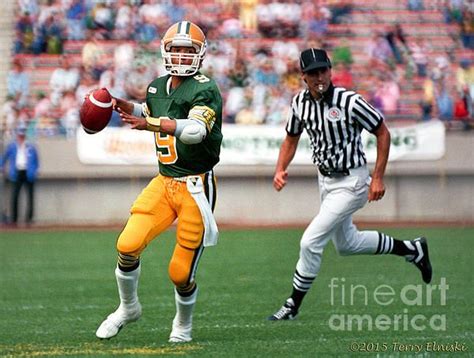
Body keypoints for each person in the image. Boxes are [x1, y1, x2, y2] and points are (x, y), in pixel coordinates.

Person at [268, 48, 432, 321]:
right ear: (303, 76)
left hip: (352, 180)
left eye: (323, 70)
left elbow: (382, 131)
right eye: (313, 72)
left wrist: (377, 177)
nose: (319, 76)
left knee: (310, 241)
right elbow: (291, 138)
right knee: (348, 244)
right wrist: (280, 169)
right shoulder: (299, 103)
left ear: (330, 70)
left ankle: (292, 305)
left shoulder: (349, 101)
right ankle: (412, 249)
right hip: (326, 180)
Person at [95, 21, 223, 343]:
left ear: (200, 54)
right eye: (176, 49)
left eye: (187, 50)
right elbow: (153, 110)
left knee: (180, 272)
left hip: (195, 186)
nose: (181, 56)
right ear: (165, 51)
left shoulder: (205, 88)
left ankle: (183, 323)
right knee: (127, 244)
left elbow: (195, 131)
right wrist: (129, 106)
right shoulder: (156, 86)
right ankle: (128, 308)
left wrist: (148, 122)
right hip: (165, 182)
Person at [0, 125, 39, 225]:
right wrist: (2, 166)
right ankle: (14, 219)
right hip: (17, 171)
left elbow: (36, 160)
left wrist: (34, 171)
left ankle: (29, 218)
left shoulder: (30, 146)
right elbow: (5, 156)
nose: (21, 136)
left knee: (30, 196)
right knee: (15, 196)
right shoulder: (12, 146)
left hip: (28, 171)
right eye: (19, 134)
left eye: (22, 134)